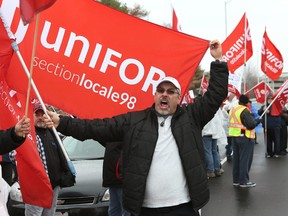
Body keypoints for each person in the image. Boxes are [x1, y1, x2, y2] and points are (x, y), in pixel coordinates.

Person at [45, 39, 228, 216]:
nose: (165, 94)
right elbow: (96, 127)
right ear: (154, 95)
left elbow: (215, 95)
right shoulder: (135, 121)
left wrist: (218, 60)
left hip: (183, 208)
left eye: (171, 91)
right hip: (145, 209)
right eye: (161, 91)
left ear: (178, 98)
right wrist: (62, 122)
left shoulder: (191, 117)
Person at [25, 103, 74, 216]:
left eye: (43, 114)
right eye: (37, 115)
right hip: (36, 186)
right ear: (31, 116)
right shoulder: (28, 135)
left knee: (49, 214)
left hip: (53, 185)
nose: (41, 117)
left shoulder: (53, 133)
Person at [229, 94, 260, 188]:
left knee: (237, 160)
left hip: (235, 136)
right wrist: (258, 121)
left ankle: (236, 180)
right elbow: (250, 125)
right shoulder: (244, 110)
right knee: (245, 160)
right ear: (246, 102)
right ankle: (244, 181)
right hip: (245, 138)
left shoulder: (233, 109)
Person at [102, 142, 130, 216]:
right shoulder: (110, 138)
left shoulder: (124, 135)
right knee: (114, 210)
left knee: (124, 210)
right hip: (113, 180)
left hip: (121, 180)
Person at [202, 108, 225, 178]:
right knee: (215, 151)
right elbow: (221, 119)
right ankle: (217, 169)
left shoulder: (203, 109)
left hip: (206, 133)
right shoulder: (216, 109)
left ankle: (210, 171)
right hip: (215, 132)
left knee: (208, 152)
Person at [258, 93, 282, 158]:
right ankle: (269, 152)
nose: (270, 100)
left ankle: (276, 152)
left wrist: (269, 111)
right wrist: (263, 110)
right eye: (269, 98)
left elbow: (280, 112)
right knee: (268, 140)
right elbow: (259, 113)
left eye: (271, 99)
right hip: (267, 126)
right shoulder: (264, 106)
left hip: (275, 126)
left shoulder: (277, 106)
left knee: (276, 140)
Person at [223, 93, 238, 162]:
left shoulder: (236, 103)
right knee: (228, 141)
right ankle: (228, 154)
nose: (232, 96)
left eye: (233, 95)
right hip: (226, 125)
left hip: (234, 125)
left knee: (232, 141)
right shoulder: (224, 103)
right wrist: (226, 109)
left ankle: (230, 154)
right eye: (231, 95)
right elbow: (223, 114)